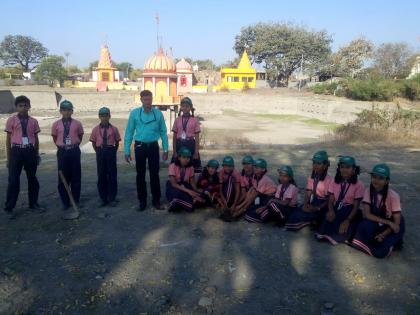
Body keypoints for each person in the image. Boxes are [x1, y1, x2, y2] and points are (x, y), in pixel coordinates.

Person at [124, 90, 169, 211]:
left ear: (152, 99)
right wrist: (126, 151)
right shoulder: (134, 114)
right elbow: (129, 132)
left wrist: (165, 149)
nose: (148, 102)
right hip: (140, 147)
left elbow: (163, 132)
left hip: (153, 147)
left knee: (155, 174)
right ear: (141, 100)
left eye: (149, 99)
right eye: (145, 99)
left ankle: (156, 200)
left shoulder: (158, 114)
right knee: (140, 175)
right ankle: (142, 201)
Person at [351, 164, 405, 258]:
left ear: (387, 181)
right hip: (379, 221)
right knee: (362, 227)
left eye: (380, 178)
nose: (376, 180)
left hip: (392, 225)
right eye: (374, 177)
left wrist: (383, 234)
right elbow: (367, 214)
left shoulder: (393, 196)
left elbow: (396, 223)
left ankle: (391, 242)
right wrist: (387, 222)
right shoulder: (368, 191)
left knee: (379, 252)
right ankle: (374, 240)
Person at [4, 95, 43, 219]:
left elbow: (36, 139)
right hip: (16, 150)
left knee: (32, 179)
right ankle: (9, 206)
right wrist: (9, 158)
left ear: (29, 107)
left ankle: (33, 203)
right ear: (16, 107)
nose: (23, 107)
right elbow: (8, 139)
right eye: (20, 105)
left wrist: (36, 154)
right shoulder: (11, 120)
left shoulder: (34, 121)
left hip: (30, 151)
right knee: (13, 180)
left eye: (26, 105)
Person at [316, 156, 364, 245]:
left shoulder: (359, 185)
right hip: (336, 207)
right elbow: (331, 200)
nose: (344, 170)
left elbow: (356, 206)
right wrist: (331, 211)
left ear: (354, 169)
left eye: (348, 167)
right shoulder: (334, 181)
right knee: (327, 219)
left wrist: (348, 220)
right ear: (339, 168)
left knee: (344, 227)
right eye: (342, 167)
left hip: (350, 211)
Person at [51, 100, 84, 218]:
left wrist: (73, 145)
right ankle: (65, 202)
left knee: (76, 177)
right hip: (62, 152)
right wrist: (62, 146)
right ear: (60, 111)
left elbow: (80, 135)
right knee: (62, 177)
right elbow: (55, 137)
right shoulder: (56, 124)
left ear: (72, 111)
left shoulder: (77, 123)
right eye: (64, 109)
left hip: (74, 151)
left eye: (69, 109)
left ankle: (75, 200)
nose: (66, 112)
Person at [286, 151, 332, 230]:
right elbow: (308, 192)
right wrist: (305, 204)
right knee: (295, 213)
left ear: (325, 165)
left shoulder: (330, 180)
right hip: (313, 202)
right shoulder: (311, 177)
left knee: (316, 216)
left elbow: (329, 199)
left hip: (323, 206)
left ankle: (312, 223)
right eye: (314, 163)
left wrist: (317, 208)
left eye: (318, 163)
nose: (315, 165)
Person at [89, 107, 121, 207]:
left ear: (109, 116)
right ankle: (103, 198)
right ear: (99, 117)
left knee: (112, 175)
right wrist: (99, 152)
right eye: (102, 115)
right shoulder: (95, 129)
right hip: (100, 151)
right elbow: (94, 142)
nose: (104, 117)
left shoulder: (114, 129)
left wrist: (112, 151)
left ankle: (112, 197)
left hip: (111, 150)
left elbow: (117, 142)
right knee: (101, 175)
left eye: (106, 115)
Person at [166, 147, 202, 212]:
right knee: (177, 193)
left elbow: (192, 182)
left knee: (195, 194)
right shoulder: (172, 166)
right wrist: (188, 191)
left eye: (188, 157)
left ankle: (178, 204)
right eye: (184, 157)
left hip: (185, 185)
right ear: (179, 157)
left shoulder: (191, 167)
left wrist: (196, 190)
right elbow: (173, 184)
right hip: (174, 186)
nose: (186, 159)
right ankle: (188, 204)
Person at [171, 97, 201, 173]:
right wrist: (174, 151)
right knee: (177, 167)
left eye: (187, 106)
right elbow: (174, 136)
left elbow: (197, 138)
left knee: (192, 168)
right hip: (179, 144)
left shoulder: (195, 120)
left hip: (190, 145)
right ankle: (177, 183)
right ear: (181, 107)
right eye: (183, 106)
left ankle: (191, 183)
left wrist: (196, 152)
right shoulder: (177, 120)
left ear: (191, 107)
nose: (185, 108)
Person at [218, 156, 241, 220]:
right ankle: (226, 207)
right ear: (223, 166)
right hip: (225, 192)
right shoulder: (221, 172)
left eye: (229, 166)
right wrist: (224, 201)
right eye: (225, 166)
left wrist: (234, 204)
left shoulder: (236, 174)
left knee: (231, 179)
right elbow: (220, 189)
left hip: (233, 193)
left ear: (233, 166)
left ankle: (229, 209)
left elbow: (238, 190)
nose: (227, 168)